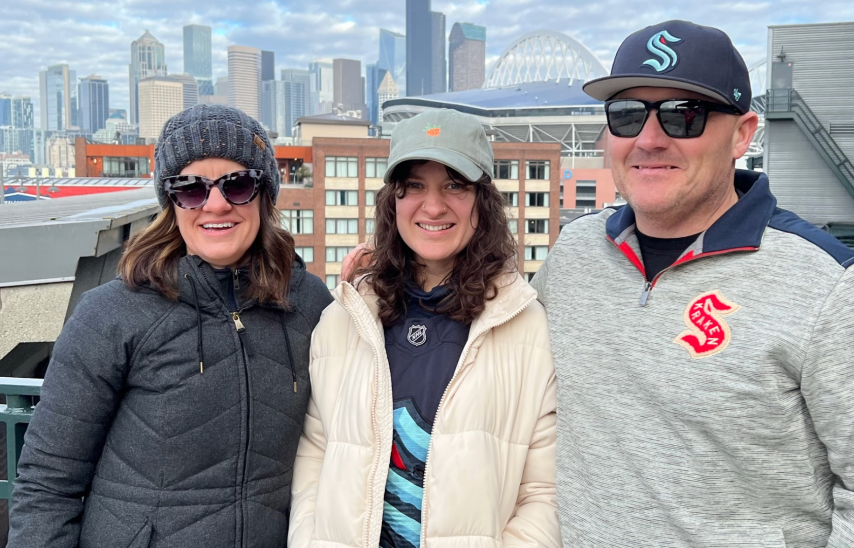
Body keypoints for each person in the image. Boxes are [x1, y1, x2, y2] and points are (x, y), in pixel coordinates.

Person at [531, 20, 854, 547]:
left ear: (743, 134)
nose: (650, 139)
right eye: (628, 114)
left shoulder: (833, 289)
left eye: (685, 116)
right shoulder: (575, 254)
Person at [9, 104, 333, 548]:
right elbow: (48, 484)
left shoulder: (310, 303)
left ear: (264, 194)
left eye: (237, 184)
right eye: (191, 189)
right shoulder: (111, 313)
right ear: (171, 201)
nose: (216, 203)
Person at [289, 109, 560, 548]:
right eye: (414, 186)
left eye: (454, 185)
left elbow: (543, 494)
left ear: (482, 201)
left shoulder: (526, 327)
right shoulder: (344, 318)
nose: (433, 206)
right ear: (393, 200)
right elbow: (314, 460)